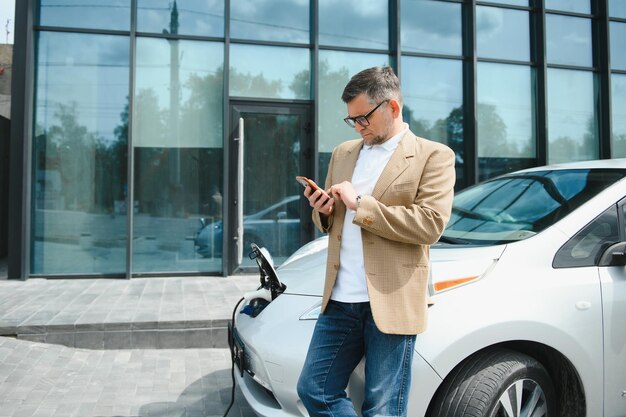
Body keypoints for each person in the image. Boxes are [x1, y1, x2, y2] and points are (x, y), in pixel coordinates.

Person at [296, 66, 456, 417]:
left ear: (393, 108)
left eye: (363, 118)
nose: (357, 127)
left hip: (392, 299)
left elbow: (430, 225)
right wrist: (323, 210)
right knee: (314, 390)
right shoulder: (343, 153)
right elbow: (333, 221)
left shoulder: (434, 156)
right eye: (351, 119)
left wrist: (359, 204)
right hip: (339, 300)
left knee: (382, 409)